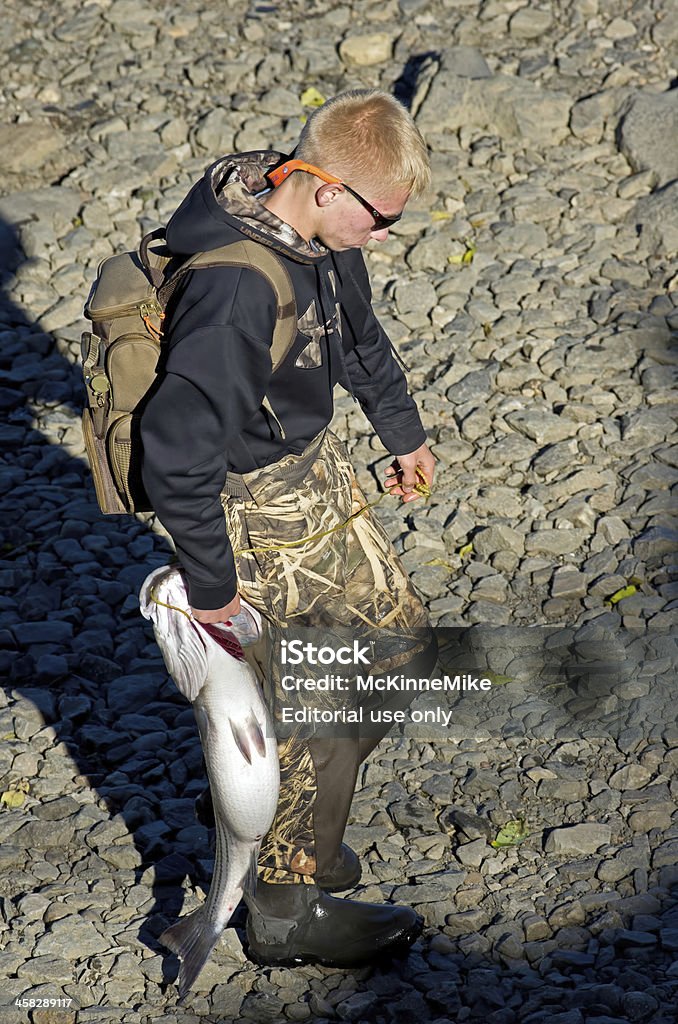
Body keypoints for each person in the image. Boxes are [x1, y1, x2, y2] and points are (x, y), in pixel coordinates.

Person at [140, 89, 439, 967]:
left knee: (405, 649)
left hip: (318, 478)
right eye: (380, 219)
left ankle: (292, 814)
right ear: (322, 184)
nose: (383, 237)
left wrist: (403, 430)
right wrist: (212, 589)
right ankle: (282, 904)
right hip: (254, 510)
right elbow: (174, 451)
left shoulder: (315, 235)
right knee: (326, 697)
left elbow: (359, 335)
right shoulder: (236, 289)